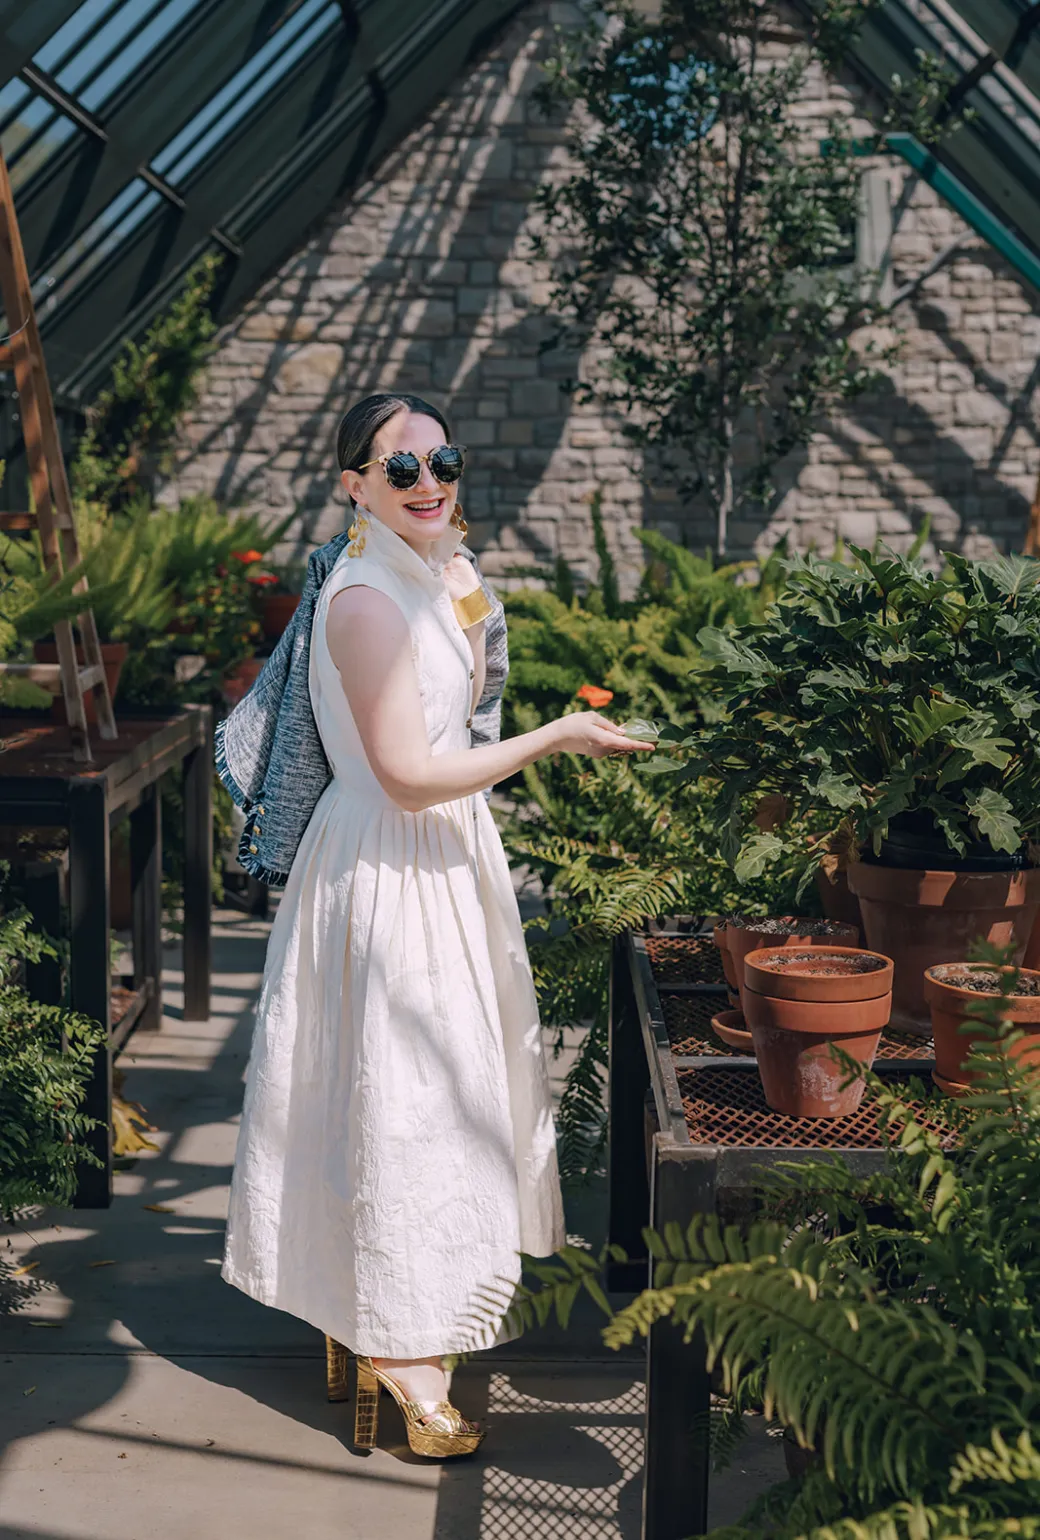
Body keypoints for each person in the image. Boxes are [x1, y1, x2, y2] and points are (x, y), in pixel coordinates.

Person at [220, 392, 652, 1458]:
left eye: (442, 462)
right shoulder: (363, 600)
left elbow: (465, 700)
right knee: (403, 1104)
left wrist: (456, 571)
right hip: (387, 868)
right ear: (351, 484)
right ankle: (400, 1348)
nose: (429, 482)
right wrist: (555, 736)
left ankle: (376, 1316)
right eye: (399, 469)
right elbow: (409, 774)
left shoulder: (432, 573)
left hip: (444, 864)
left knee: (441, 1096)